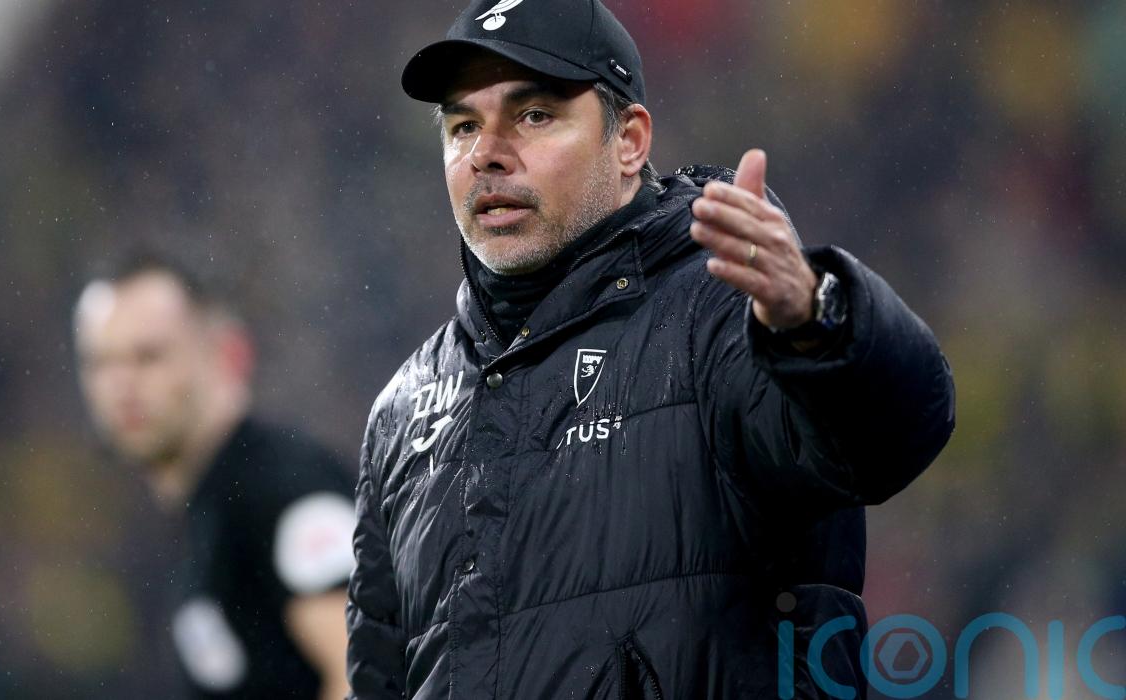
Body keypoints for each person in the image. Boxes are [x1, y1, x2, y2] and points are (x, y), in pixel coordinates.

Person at [346, 0, 955, 697]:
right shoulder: (403, 411)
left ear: (630, 141)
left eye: (535, 115)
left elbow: (893, 439)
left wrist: (816, 319)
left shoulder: (721, 313)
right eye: (463, 127)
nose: (486, 153)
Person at [73, 257, 356, 699]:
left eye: (148, 356)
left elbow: (364, 675)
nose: (121, 385)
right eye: (101, 363)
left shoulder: (282, 491)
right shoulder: (201, 512)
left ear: (226, 354)